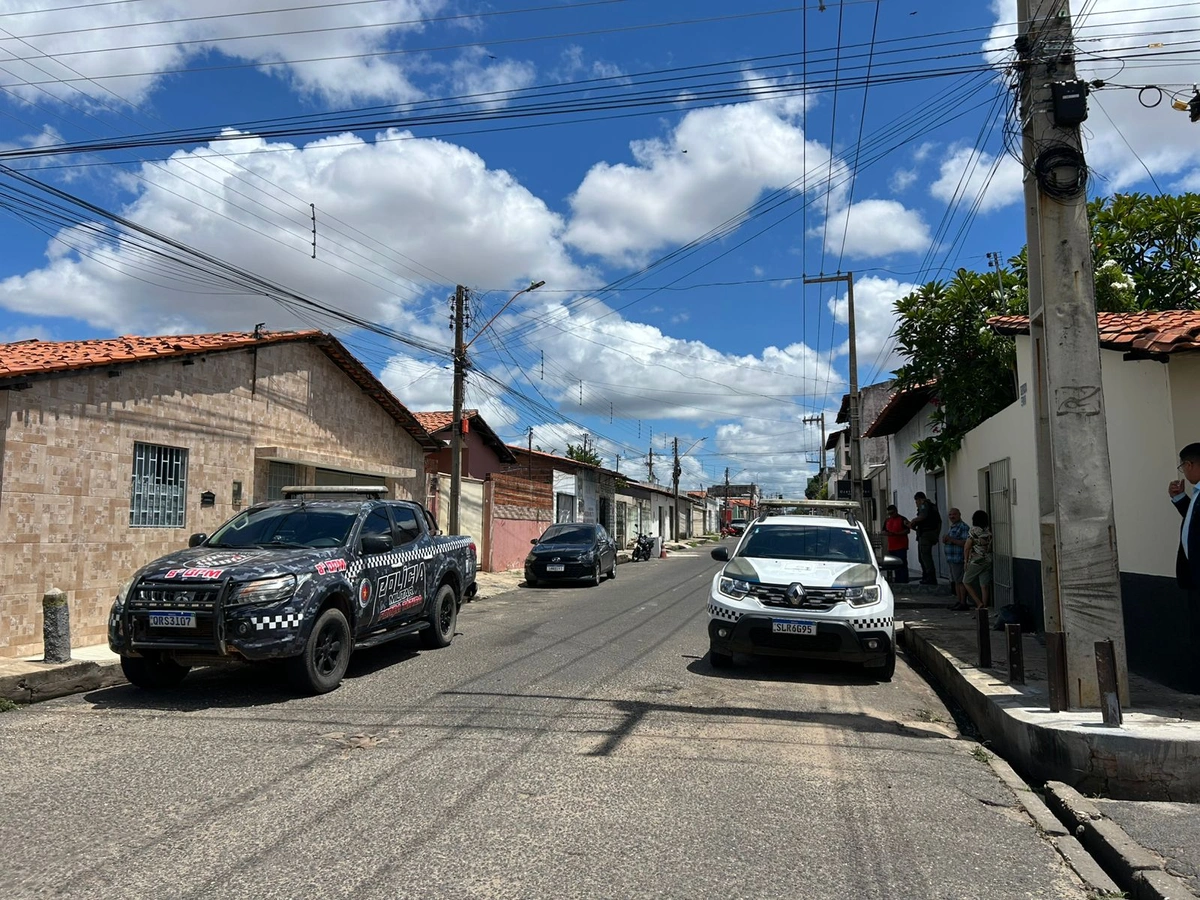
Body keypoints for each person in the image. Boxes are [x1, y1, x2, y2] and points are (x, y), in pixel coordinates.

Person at [1169, 443, 1200, 648]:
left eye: (1183, 466)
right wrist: (1179, 499)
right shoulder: (1197, 492)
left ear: (1189, 464)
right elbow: (1194, 523)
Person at [962, 509, 993, 611]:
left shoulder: (973, 530)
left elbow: (967, 547)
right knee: (984, 585)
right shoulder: (988, 531)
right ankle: (984, 608)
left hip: (976, 560)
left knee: (966, 581)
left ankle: (978, 603)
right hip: (988, 560)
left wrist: (966, 561)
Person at [910, 491, 942, 585]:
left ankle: (929, 578)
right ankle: (927, 577)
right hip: (928, 534)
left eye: (916, 501)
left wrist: (913, 520)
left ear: (920, 499)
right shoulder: (932, 507)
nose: (916, 504)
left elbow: (922, 517)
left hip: (926, 535)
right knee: (923, 557)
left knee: (925, 557)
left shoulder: (925, 505)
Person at [942, 508, 971, 609]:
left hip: (958, 558)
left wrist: (951, 540)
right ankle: (959, 601)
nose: (952, 517)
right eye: (950, 515)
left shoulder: (963, 527)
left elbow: (965, 543)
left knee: (960, 581)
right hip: (951, 559)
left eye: (954, 514)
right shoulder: (952, 527)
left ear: (959, 514)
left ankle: (963, 602)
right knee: (955, 581)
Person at [882, 504, 910, 583]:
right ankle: (898, 579)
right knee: (894, 565)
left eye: (892, 513)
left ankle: (904, 580)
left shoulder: (902, 519)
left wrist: (897, 534)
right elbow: (883, 531)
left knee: (902, 563)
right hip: (892, 546)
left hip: (901, 545)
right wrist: (887, 533)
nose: (891, 515)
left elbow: (907, 530)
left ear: (896, 511)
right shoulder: (887, 521)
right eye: (889, 514)